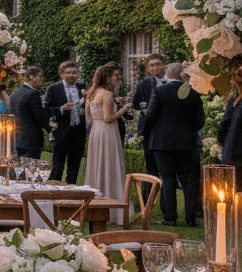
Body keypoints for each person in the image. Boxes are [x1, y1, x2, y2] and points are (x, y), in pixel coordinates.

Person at [142, 63, 205, 226]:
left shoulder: (160, 91)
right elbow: (200, 121)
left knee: (167, 179)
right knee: (188, 180)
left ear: (168, 74)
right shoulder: (193, 93)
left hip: (163, 143)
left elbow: (150, 117)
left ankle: (169, 217)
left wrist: (148, 130)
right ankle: (191, 217)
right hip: (186, 143)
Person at [83, 63, 131, 223]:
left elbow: (88, 118)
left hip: (96, 132)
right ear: (107, 78)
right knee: (110, 165)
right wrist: (124, 109)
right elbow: (109, 118)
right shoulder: (107, 94)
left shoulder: (92, 93)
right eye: (115, 75)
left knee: (98, 165)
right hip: (108, 132)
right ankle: (113, 210)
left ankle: (95, 206)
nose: (118, 78)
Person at [43, 60, 87, 184]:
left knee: (74, 166)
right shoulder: (54, 88)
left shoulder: (81, 87)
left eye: (74, 72)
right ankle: (54, 192)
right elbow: (47, 110)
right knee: (58, 165)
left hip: (78, 132)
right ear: (61, 74)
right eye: (68, 73)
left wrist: (84, 109)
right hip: (62, 132)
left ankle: (70, 194)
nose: (72, 75)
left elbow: (87, 105)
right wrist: (62, 108)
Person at [131, 53, 167, 193]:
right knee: (150, 164)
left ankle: (165, 193)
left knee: (165, 166)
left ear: (163, 65)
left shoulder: (171, 82)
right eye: (152, 65)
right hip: (149, 129)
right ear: (148, 69)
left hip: (167, 128)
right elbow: (135, 104)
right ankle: (148, 198)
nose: (156, 67)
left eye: (158, 64)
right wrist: (145, 108)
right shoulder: (143, 84)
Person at [9, 67, 48, 158]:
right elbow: (39, 116)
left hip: (17, 139)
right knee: (30, 170)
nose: (42, 79)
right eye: (40, 76)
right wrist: (50, 127)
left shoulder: (14, 93)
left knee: (19, 170)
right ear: (31, 77)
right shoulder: (33, 93)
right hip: (31, 140)